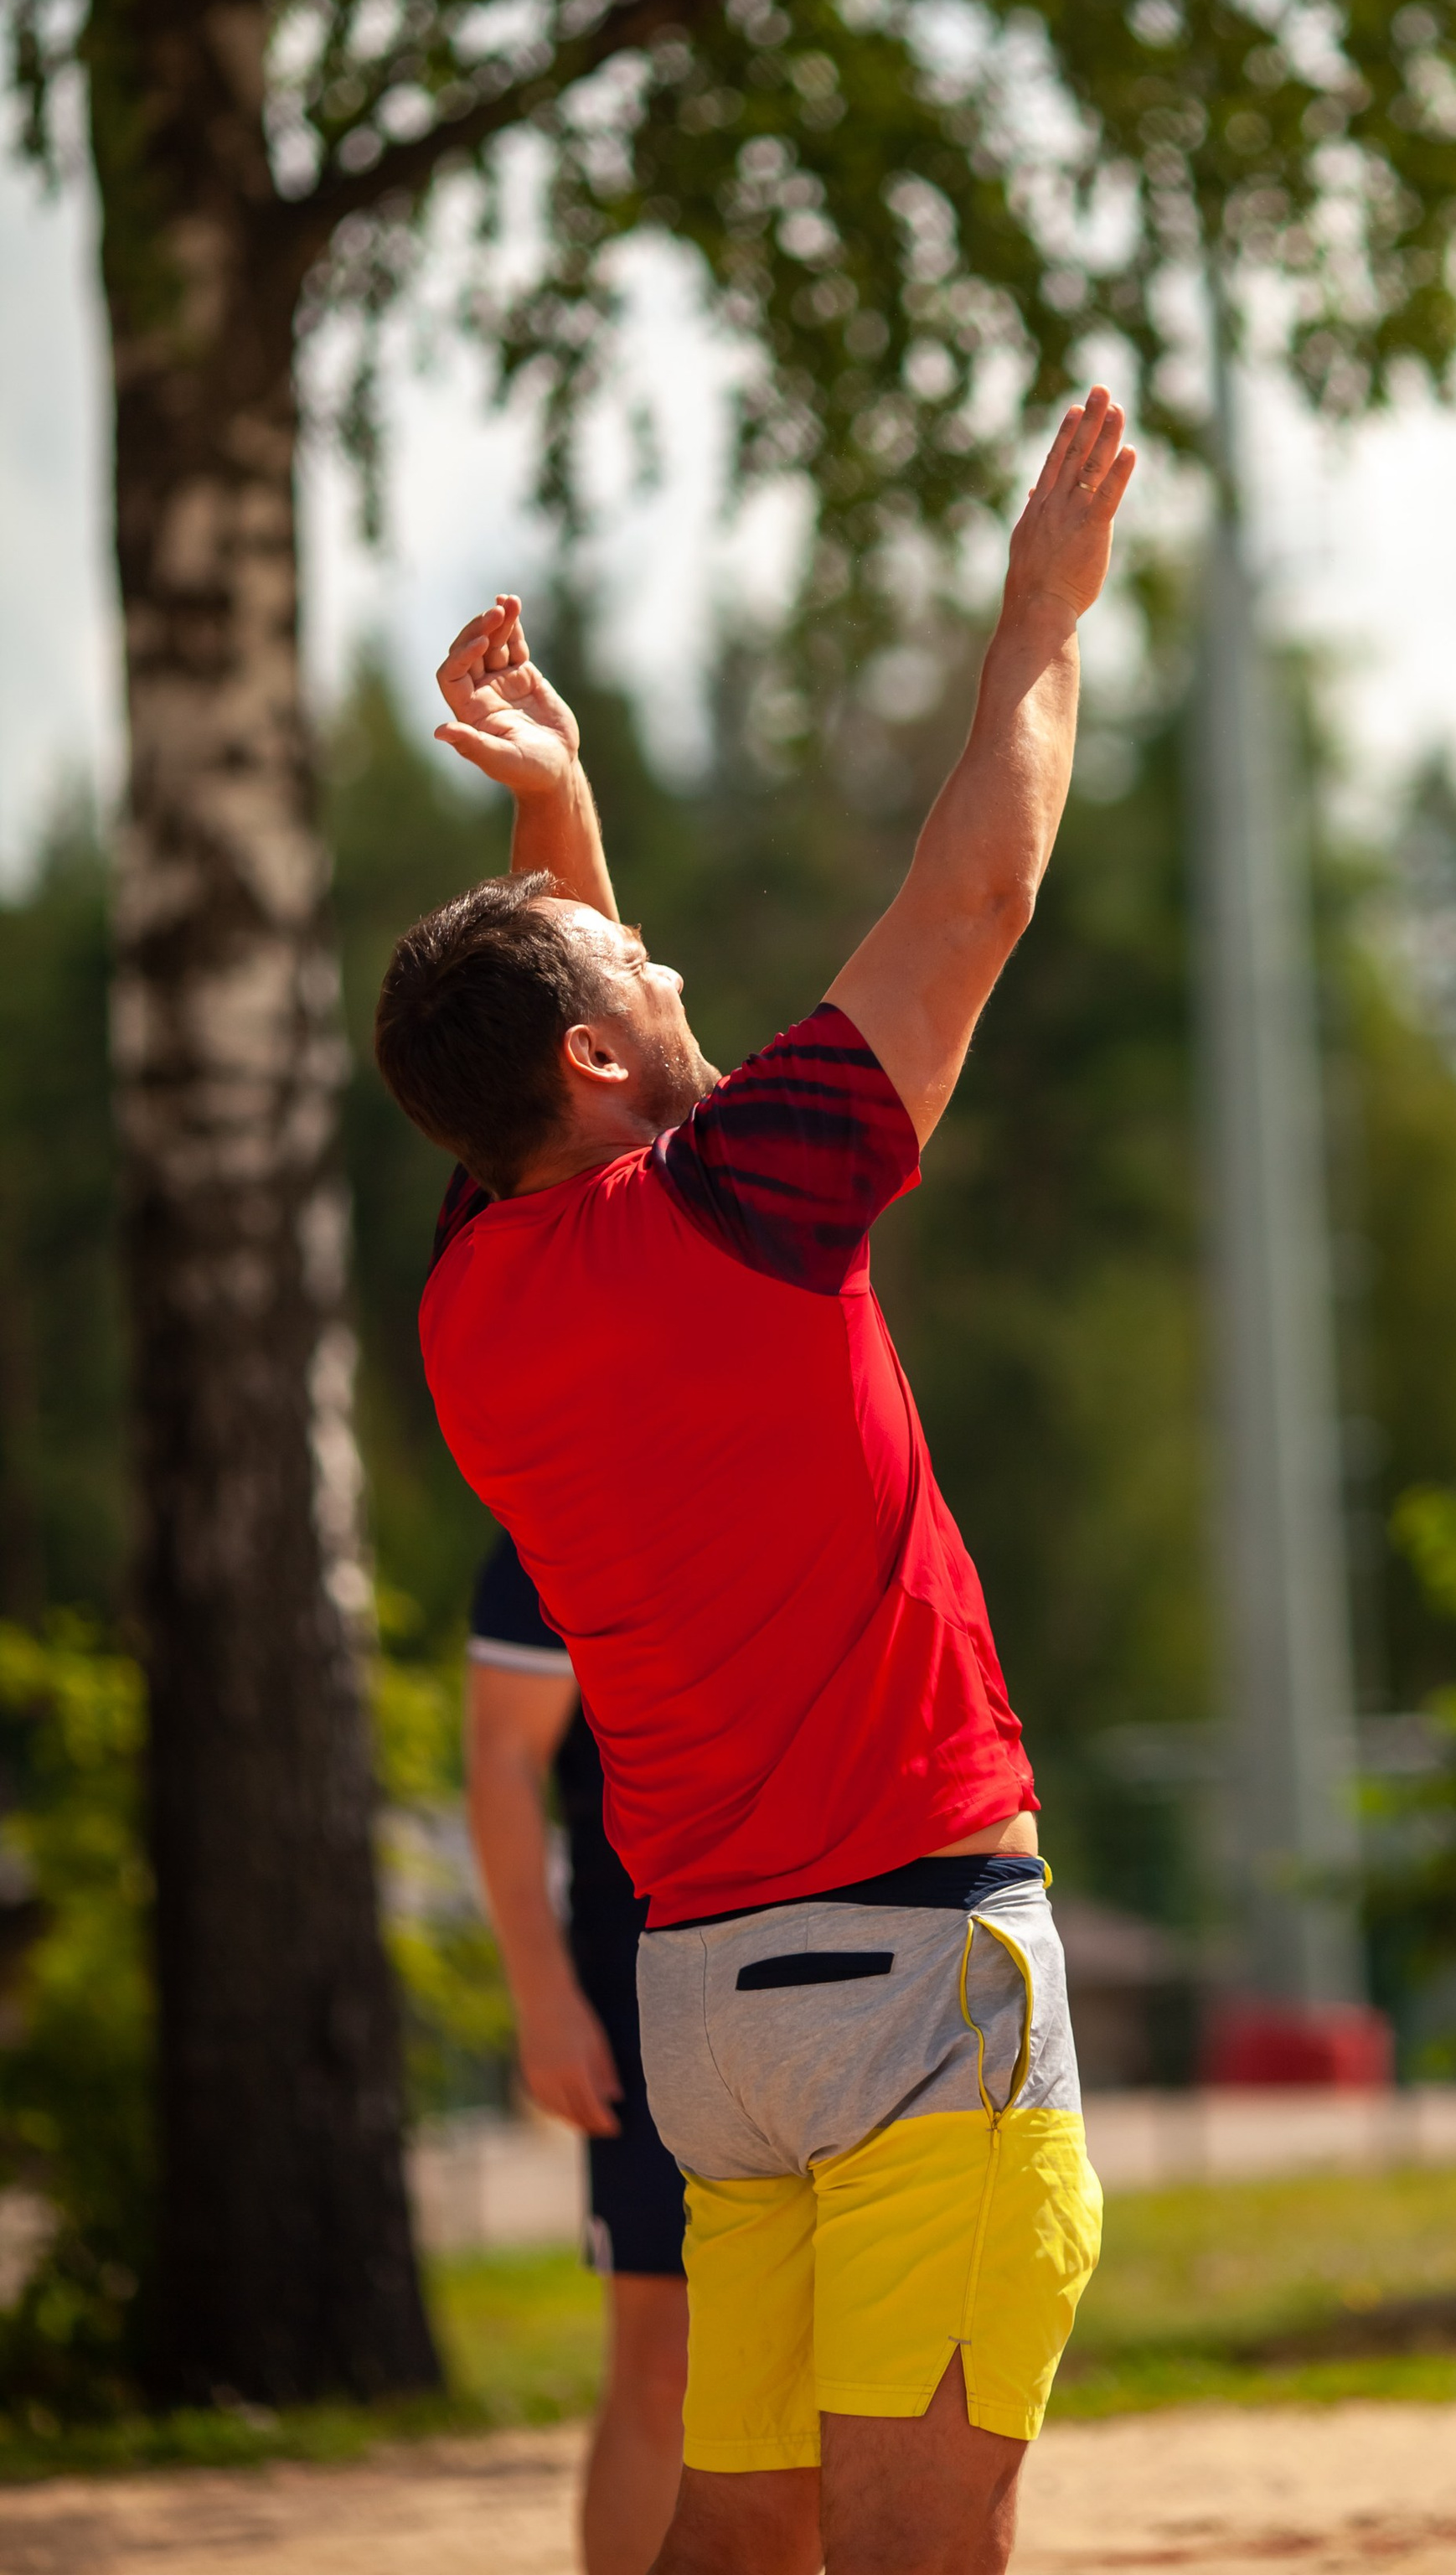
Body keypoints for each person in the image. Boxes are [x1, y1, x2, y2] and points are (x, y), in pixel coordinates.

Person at [374, 387, 1135, 2575]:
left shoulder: (472, 1310)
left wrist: (564, 816)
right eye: (643, 969)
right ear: (605, 1060)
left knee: (736, 2535)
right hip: (912, 1980)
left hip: (716, 2010)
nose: (680, 966)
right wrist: (1038, 627)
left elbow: (556, 1076)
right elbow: (977, 883)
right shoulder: (742, 1198)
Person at [465, 1525, 689, 2575]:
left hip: (837, 1950)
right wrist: (543, 1997)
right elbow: (502, 1754)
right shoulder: (558, 1524)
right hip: (641, 1978)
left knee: (844, 2363)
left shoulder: (808, 1456)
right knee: (665, 2363)